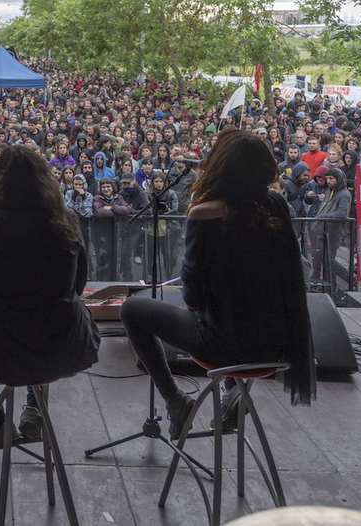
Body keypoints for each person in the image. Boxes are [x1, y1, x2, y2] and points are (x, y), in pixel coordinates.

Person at [120, 128, 314, 441]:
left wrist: (199, 303)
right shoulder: (277, 205)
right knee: (231, 311)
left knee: (132, 309)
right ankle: (229, 394)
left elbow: (192, 295)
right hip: (277, 344)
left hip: (226, 346)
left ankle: (175, 401)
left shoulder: (205, 213)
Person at [0, 145, 100, 448]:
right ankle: (33, 411)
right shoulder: (66, 221)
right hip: (63, 345)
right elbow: (78, 285)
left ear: (0, 180)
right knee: (38, 324)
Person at [91, 177, 130, 280]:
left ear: (112, 187)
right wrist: (116, 212)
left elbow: (127, 210)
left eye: (108, 186)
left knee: (114, 258)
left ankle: (113, 279)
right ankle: (101, 280)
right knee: (102, 259)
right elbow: (99, 212)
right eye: (103, 187)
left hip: (115, 234)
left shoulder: (119, 198)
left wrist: (112, 207)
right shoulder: (97, 199)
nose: (106, 189)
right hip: (100, 234)